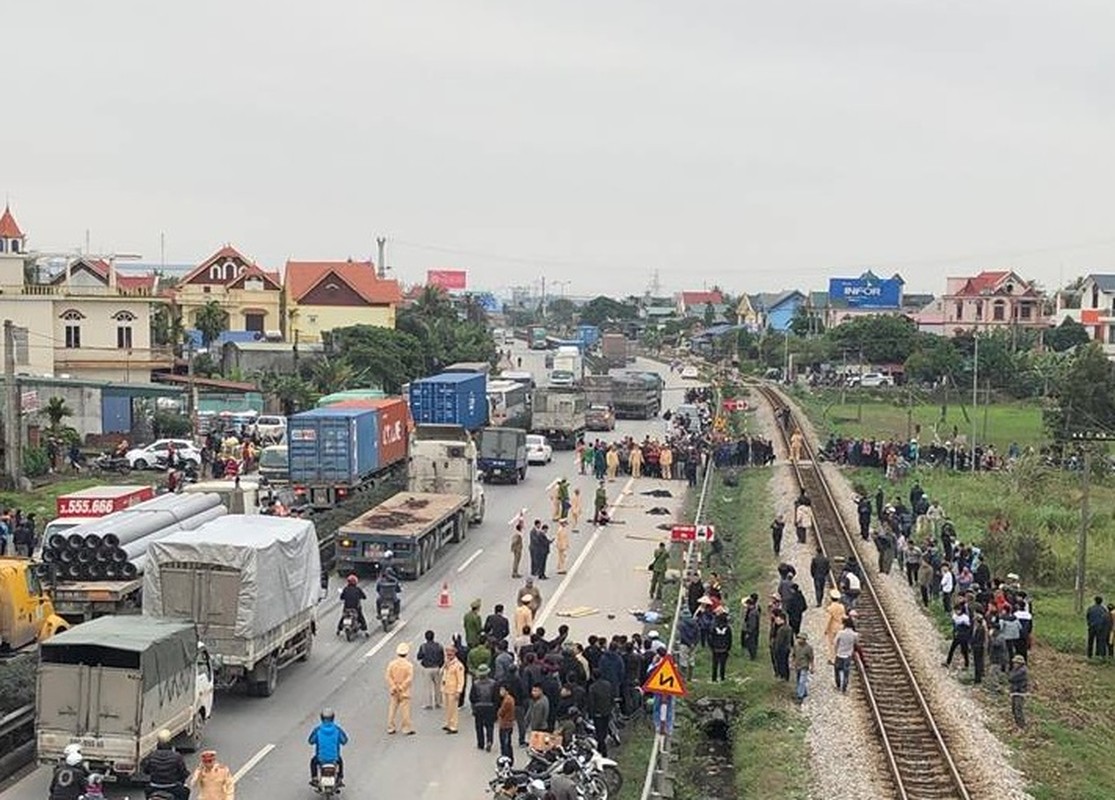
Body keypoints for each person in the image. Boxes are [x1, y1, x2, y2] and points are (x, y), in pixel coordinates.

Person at [141, 729, 189, 800]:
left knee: (147, 792)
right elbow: (183, 773)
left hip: (154, 787)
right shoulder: (177, 756)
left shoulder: (151, 756)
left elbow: (145, 770)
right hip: (172, 787)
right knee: (186, 792)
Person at [308, 708, 348, 787]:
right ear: (333, 718)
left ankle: (314, 778)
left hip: (321, 758)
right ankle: (339, 778)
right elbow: (344, 741)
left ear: (321, 718)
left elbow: (311, 741)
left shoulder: (318, 730)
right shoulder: (337, 729)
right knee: (340, 761)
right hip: (334, 758)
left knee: (313, 762)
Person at [386, 641, 416, 735]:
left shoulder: (392, 664)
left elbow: (388, 676)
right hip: (404, 691)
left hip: (394, 690)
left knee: (392, 709)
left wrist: (394, 686)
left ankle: (390, 727)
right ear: (406, 653)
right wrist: (402, 687)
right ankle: (406, 728)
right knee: (405, 711)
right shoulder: (409, 665)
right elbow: (409, 678)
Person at [470, 663, 499, 751]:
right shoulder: (493, 683)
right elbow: (496, 697)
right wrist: (496, 708)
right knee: (490, 726)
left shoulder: (475, 684)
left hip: (479, 707)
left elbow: (472, 697)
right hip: (490, 707)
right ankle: (489, 740)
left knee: (479, 726)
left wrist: (474, 707)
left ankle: (481, 743)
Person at [441, 645, 467, 734]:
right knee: (447, 708)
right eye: (447, 654)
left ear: (454, 654)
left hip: (453, 690)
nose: (448, 655)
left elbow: (461, 679)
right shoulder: (447, 663)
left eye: (450, 654)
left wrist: (459, 691)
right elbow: (442, 673)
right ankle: (448, 723)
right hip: (445, 689)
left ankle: (453, 726)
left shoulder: (458, 665)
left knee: (453, 709)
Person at [418, 630, 446, 709]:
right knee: (438, 686)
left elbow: (419, 656)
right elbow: (442, 657)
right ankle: (439, 702)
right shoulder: (439, 646)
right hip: (436, 668)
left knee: (427, 687)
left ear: (425, 637)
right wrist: (440, 666)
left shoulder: (423, 646)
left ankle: (428, 704)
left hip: (427, 668)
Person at [833, 618, 859, 693]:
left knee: (837, 670)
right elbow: (856, 643)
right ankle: (844, 687)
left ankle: (838, 685)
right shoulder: (855, 634)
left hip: (839, 654)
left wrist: (835, 651)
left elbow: (835, 642)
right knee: (846, 672)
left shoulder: (840, 633)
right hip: (848, 655)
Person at [791, 632, 815, 704]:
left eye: (802, 639)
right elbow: (793, 655)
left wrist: (812, 667)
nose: (800, 640)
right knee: (799, 680)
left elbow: (811, 658)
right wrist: (792, 663)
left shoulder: (808, 648)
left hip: (804, 666)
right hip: (797, 666)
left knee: (802, 681)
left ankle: (799, 696)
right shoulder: (796, 646)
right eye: (799, 638)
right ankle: (804, 692)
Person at [709, 610, 732, 682]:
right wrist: (728, 648)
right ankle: (722, 677)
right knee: (723, 664)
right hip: (724, 649)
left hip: (715, 648)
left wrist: (711, 647)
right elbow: (730, 639)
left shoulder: (714, 627)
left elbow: (710, 638)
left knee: (715, 664)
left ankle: (714, 678)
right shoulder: (728, 628)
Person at [497, 683, 517, 762]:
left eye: (502, 690)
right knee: (508, 743)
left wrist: (499, 712)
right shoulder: (510, 699)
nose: (500, 692)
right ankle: (510, 758)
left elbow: (501, 712)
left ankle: (506, 759)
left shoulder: (507, 701)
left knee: (505, 744)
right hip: (508, 724)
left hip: (505, 725)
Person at [1008, 654, 1029, 728]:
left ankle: (1022, 726)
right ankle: (1018, 725)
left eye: (1016, 663)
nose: (1014, 664)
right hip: (1015, 692)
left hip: (1019, 692)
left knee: (1018, 710)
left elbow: (1011, 678)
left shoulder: (1022, 671)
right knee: (1014, 710)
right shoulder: (1017, 670)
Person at [510, 509, 526, 578]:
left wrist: (521, 515)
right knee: (516, 561)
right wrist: (514, 548)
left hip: (517, 549)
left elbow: (520, 523)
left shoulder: (518, 532)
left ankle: (515, 572)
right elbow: (514, 541)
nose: (523, 526)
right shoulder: (517, 534)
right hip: (517, 549)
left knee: (517, 561)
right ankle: (514, 573)